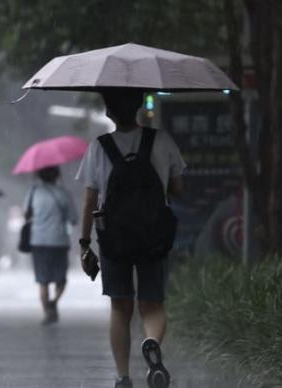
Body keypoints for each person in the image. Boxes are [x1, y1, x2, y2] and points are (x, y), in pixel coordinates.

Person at [76, 89, 185, 388]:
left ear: (109, 113)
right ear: (138, 108)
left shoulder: (99, 147)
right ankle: (151, 342)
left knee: (119, 306)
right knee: (153, 305)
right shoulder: (161, 140)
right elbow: (177, 190)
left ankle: (123, 377)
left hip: (113, 237)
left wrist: (84, 244)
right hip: (154, 235)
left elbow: (89, 201)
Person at [24, 166, 78, 325]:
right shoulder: (64, 193)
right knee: (61, 279)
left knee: (43, 280)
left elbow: (26, 214)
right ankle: (54, 302)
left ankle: (47, 312)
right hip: (59, 241)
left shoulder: (33, 192)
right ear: (57, 175)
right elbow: (74, 219)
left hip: (38, 241)